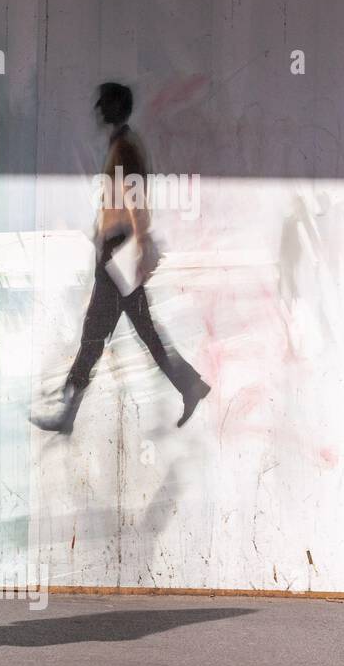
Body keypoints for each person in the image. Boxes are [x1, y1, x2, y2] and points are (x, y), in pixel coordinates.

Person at [31, 82, 210, 434]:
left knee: (95, 335)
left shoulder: (125, 148)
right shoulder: (122, 145)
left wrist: (138, 249)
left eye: (103, 104)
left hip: (121, 253)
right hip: (118, 252)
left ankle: (67, 412)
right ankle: (189, 385)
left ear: (114, 108)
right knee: (135, 332)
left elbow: (136, 203)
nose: (98, 110)